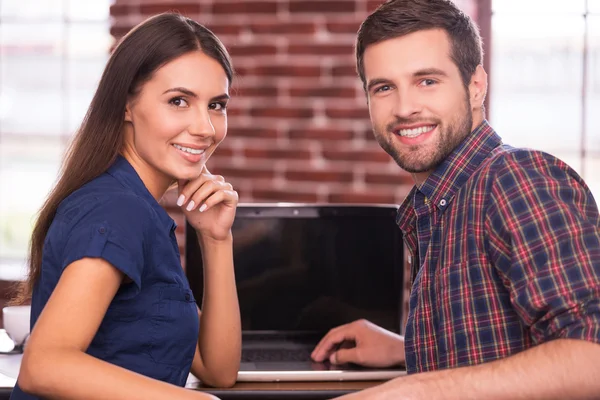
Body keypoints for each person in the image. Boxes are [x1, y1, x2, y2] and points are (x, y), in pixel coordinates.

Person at [311, 0, 600, 398]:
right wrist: (405, 351)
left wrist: (412, 390)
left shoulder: (516, 178)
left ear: (476, 85)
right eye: (384, 87)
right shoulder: (438, 204)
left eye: (427, 80)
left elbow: (591, 359)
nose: (405, 108)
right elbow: (501, 344)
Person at [10, 13, 240, 400]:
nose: (205, 127)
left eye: (216, 105)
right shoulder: (118, 211)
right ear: (126, 105)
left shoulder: (142, 210)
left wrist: (216, 239)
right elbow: (43, 365)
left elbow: (218, 368)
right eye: (179, 101)